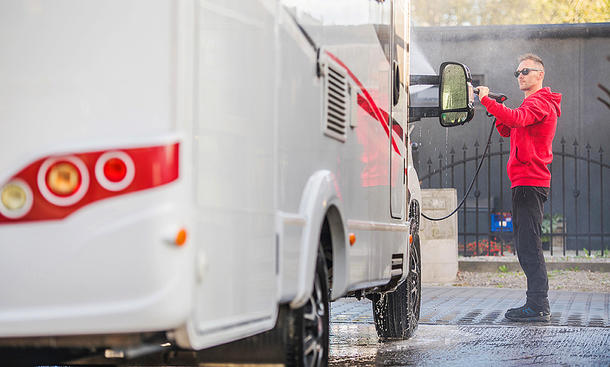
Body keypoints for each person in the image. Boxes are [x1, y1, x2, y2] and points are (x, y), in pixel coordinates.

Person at [477, 54, 562, 322]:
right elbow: (508, 128)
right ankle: (536, 303)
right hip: (524, 181)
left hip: (530, 181)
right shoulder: (531, 104)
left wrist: (487, 101)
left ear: (540, 74)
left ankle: (538, 305)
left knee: (529, 245)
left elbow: (515, 119)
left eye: (525, 71)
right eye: (517, 73)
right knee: (526, 244)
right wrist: (495, 109)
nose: (520, 76)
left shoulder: (541, 102)